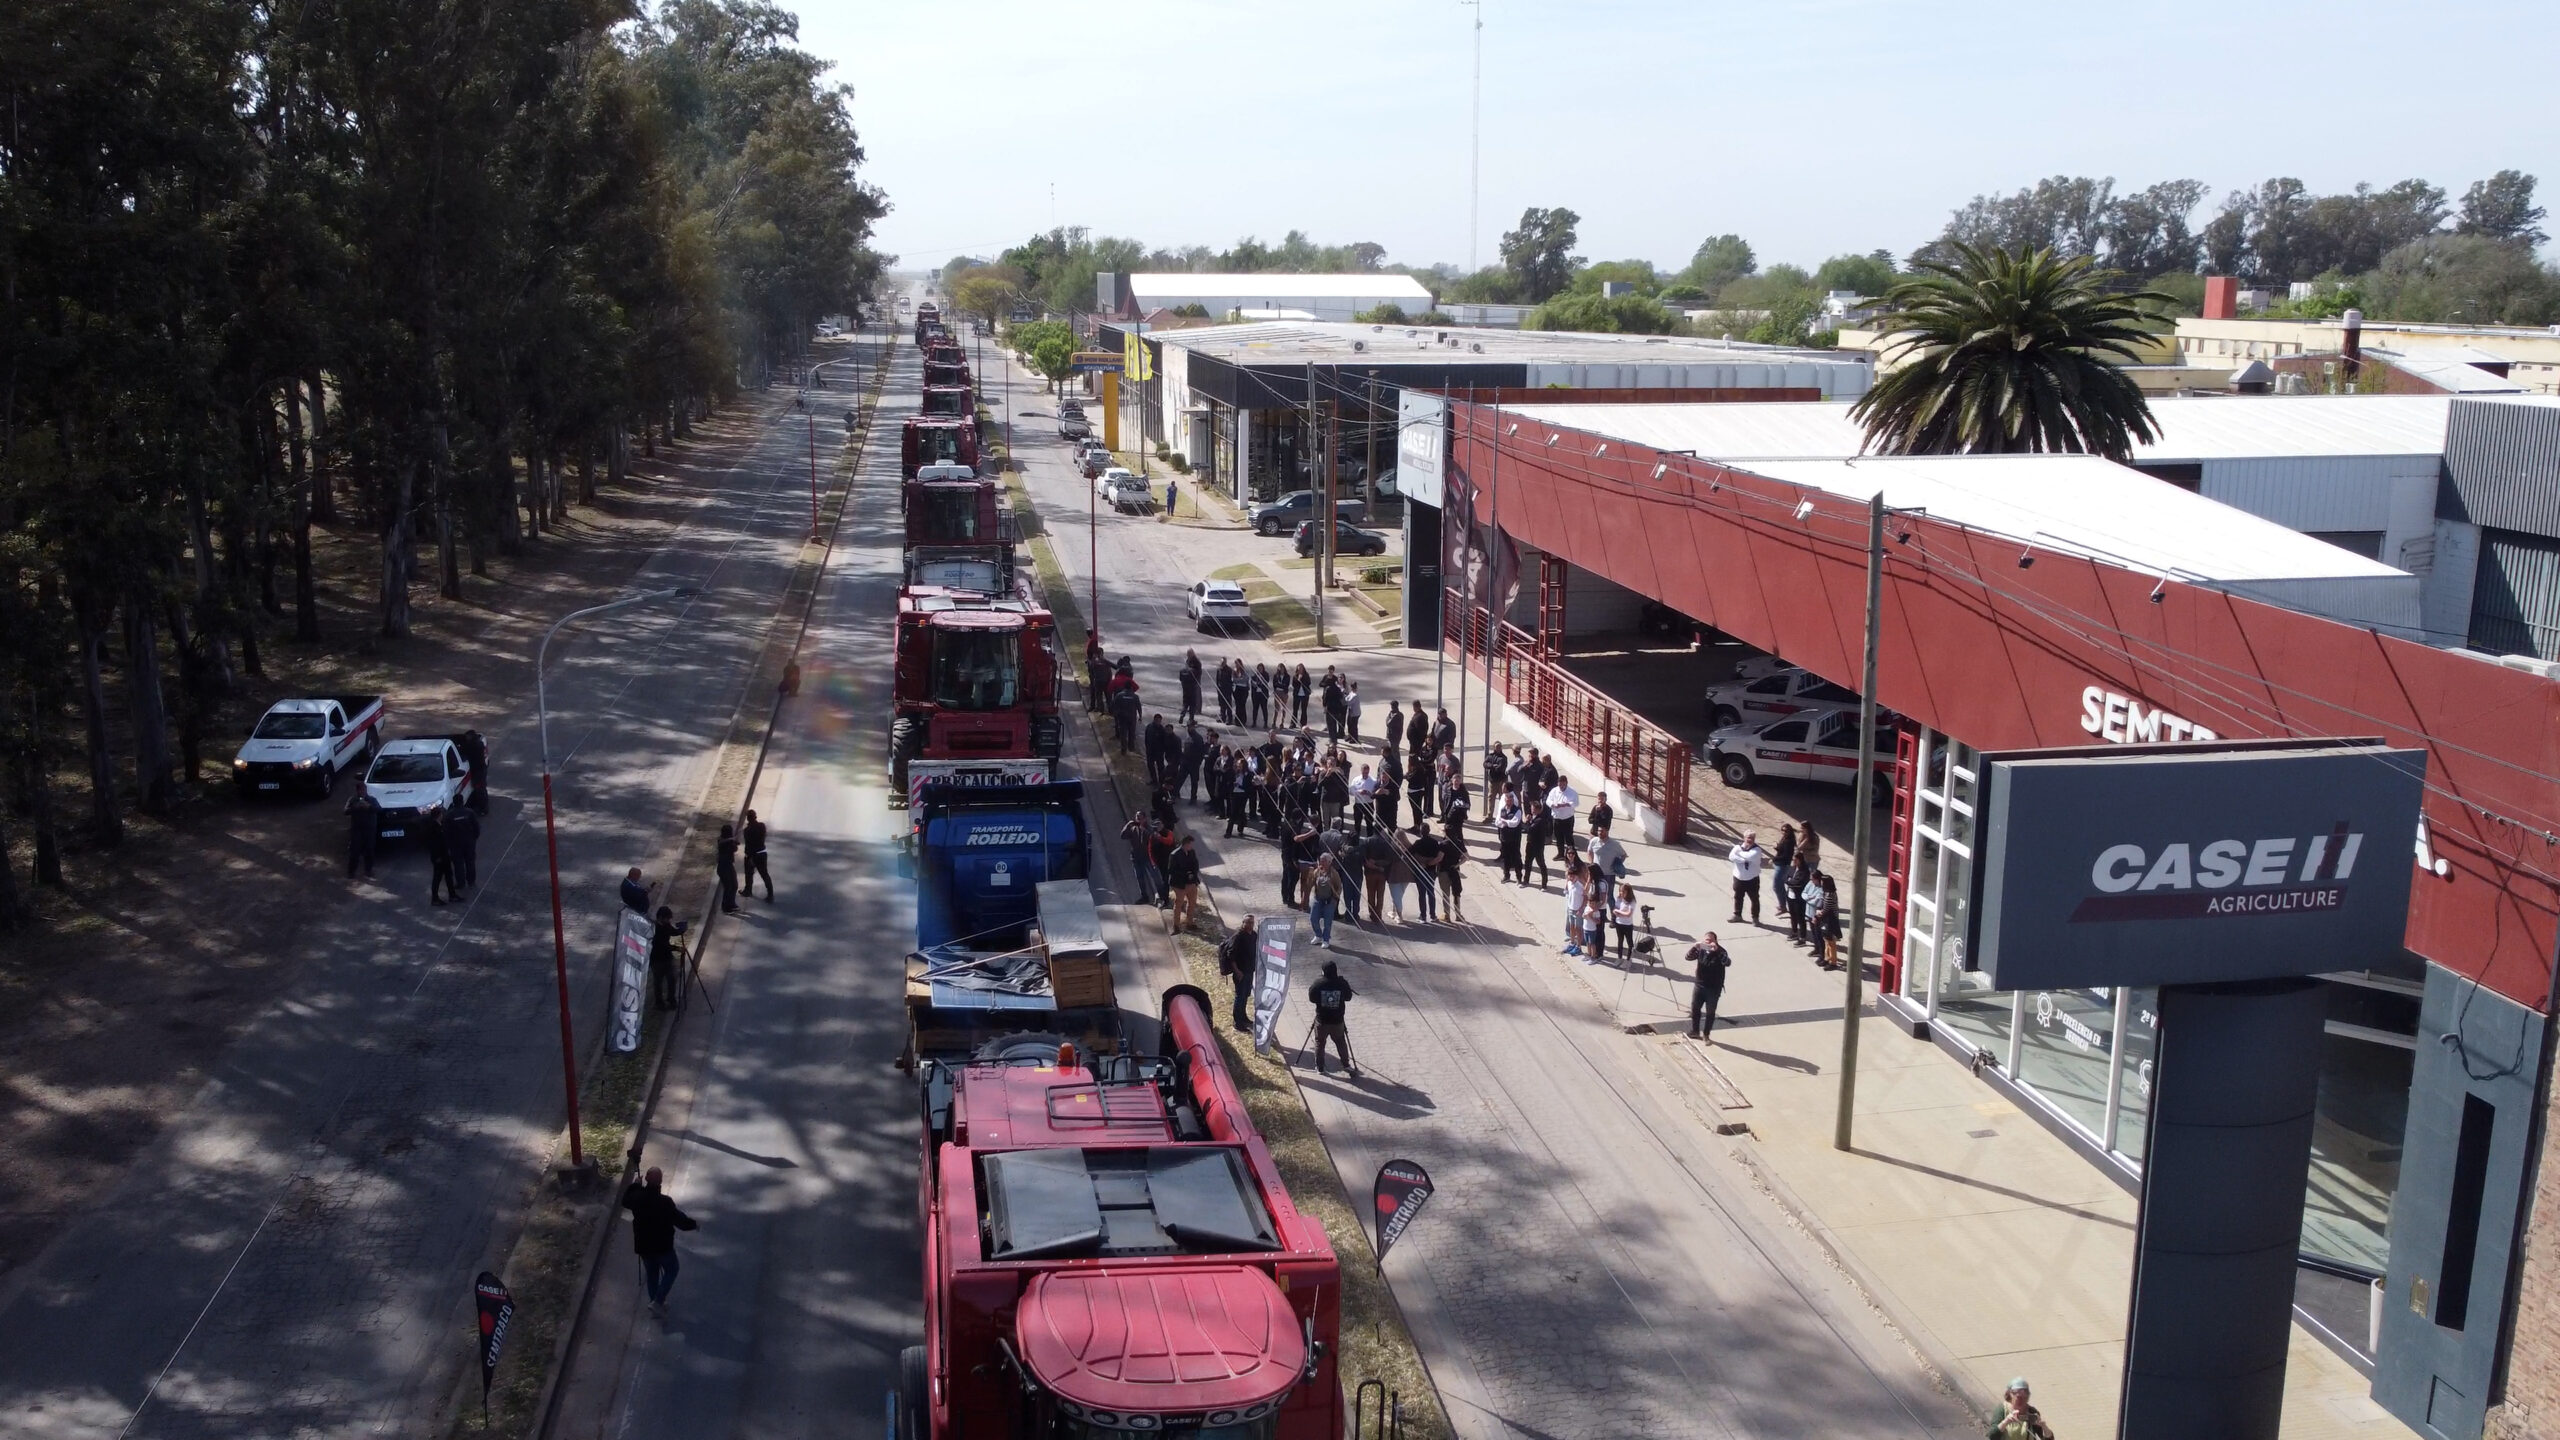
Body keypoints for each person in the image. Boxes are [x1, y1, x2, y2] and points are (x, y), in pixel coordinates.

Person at [621, 1166, 699, 1320]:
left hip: (644, 1246)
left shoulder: (638, 1197)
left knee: (652, 1275)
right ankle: (658, 1301)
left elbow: (625, 1201)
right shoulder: (665, 1202)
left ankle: (654, 1303)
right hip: (663, 1247)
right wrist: (693, 1225)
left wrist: (636, 1184)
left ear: (647, 1179)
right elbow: (680, 1220)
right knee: (672, 1270)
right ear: (661, 1182)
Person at [1308, 960, 1356, 1076]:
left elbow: (1312, 998)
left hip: (1322, 1020)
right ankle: (1346, 1065)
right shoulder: (1341, 983)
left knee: (1320, 1042)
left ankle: (1320, 1067)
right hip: (1338, 1021)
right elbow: (1348, 997)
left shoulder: (1318, 983)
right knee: (1340, 1042)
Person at [1686, 932, 1732, 1041]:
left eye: (1711, 940)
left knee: (1710, 1012)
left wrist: (1717, 951)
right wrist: (1694, 947)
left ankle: (1706, 1034)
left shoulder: (1721, 951)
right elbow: (1687, 957)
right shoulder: (1701, 950)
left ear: (1716, 941)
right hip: (1699, 985)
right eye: (1706, 940)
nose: (1709, 942)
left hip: (1713, 988)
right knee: (1695, 1008)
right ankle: (1695, 1031)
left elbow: (1727, 962)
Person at [1220, 916, 1260, 1031]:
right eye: (1248, 922)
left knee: (1246, 995)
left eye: (1252, 922)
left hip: (1249, 971)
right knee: (1240, 996)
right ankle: (1237, 1022)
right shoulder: (1238, 936)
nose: (1250, 924)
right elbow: (1230, 954)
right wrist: (1237, 971)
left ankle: (1243, 1016)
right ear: (1243, 923)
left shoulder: (1253, 935)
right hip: (1241, 972)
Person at [1987, 1379, 2056, 1440]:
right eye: (2018, 1397)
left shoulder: (2031, 1411)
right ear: (2010, 1395)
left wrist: (2044, 1426)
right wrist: (2006, 1422)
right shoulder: (2002, 1410)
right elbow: (1992, 1436)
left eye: (2025, 1397)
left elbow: (2049, 1438)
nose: (2022, 1401)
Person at [649, 906, 688, 1010]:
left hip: (667, 958)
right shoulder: (654, 929)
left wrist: (681, 930)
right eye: (667, 918)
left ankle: (671, 1000)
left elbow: (672, 932)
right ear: (661, 917)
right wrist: (677, 948)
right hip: (657, 960)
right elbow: (662, 946)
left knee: (672, 979)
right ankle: (659, 1003)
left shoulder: (666, 925)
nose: (669, 920)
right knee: (658, 982)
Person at [1728, 829, 1766, 924]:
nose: (1750, 840)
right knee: (1738, 897)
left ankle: (1755, 918)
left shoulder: (1757, 850)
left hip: (1752, 879)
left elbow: (1749, 857)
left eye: (1752, 838)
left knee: (1754, 899)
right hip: (1738, 878)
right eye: (1748, 837)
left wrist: (1739, 854)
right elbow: (1731, 857)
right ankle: (1737, 915)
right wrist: (1743, 860)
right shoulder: (1737, 846)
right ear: (1744, 838)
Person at [424, 803, 459, 904]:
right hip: (440, 857)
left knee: (448, 875)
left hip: (444, 856)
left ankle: (452, 894)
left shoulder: (438, 825)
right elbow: (434, 844)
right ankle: (435, 898)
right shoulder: (434, 828)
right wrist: (437, 857)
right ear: (439, 815)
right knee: (438, 877)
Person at [1166, 834, 1203, 931]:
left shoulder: (1192, 852)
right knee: (1179, 904)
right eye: (1190, 844)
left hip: (1191, 882)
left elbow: (1195, 864)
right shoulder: (1174, 855)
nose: (1191, 846)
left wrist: (1192, 874)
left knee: (1192, 902)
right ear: (1185, 844)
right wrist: (1186, 874)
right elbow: (1171, 870)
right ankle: (1176, 925)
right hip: (1180, 884)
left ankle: (1189, 923)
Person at [1122, 815, 1161, 906]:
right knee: (1140, 878)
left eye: (1140, 818)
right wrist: (1128, 825)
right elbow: (1123, 836)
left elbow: (1155, 840)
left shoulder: (1150, 829)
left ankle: (1162, 896)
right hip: (1136, 858)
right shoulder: (1133, 829)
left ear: (1145, 818)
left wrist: (1144, 830)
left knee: (1155, 877)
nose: (1138, 820)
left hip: (1148, 858)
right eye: (1137, 818)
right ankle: (1144, 897)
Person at [1307, 848, 1341, 948]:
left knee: (1327, 922)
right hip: (1318, 899)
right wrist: (1310, 875)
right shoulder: (1317, 871)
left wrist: (1335, 898)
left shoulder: (1334, 874)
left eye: (1324, 861)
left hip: (1329, 901)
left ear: (1329, 862)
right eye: (1320, 860)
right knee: (1313, 918)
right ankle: (1318, 935)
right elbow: (1310, 884)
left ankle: (1326, 939)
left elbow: (1339, 887)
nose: (1321, 862)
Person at [443, 804, 481, 892]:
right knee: (470, 862)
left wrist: (448, 844)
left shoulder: (449, 815)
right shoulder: (470, 812)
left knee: (458, 864)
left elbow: (446, 831)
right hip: (469, 843)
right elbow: (476, 827)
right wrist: (474, 838)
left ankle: (461, 883)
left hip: (456, 844)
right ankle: (471, 881)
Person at [345, 790, 381, 879]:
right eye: (360, 791)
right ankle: (351, 872)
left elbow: (379, 809)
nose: (362, 793)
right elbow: (345, 811)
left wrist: (368, 806)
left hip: (369, 829)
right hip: (357, 830)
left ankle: (368, 870)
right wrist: (355, 807)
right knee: (354, 851)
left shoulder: (372, 800)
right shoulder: (352, 800)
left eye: (363, 790)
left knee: (369, 850)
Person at [741, 808, 772, 901]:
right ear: (756, 817)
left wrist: (749, 856)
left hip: (752, 855)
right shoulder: (762, 826)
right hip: (762, 853)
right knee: (764, 874)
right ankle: (770, 894)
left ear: (747, 819)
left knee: (749, 874)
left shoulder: (747, 830)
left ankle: (748, 890)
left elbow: (749, 844)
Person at [1495, 789, 1524, 884]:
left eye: (1510, 800)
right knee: (1506, 858)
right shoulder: (1502, 810)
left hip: (1514, 839)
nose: (1509, 802)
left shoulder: (1517, 810)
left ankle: (1519, 877)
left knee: (1516, 858)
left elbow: (1515, 823)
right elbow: (1497, 822)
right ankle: (1506, 875)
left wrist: (1505, 822)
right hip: (1504, 838)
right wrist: (1505, 823)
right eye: (1507, 800)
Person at [1546, 779, 1579, 862]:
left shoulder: (1572, 792)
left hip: (1568, 818)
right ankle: (1560, 854)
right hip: (1557, 818)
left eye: (1563, 785)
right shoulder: (1554, 790)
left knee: (1569, 838)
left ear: (1566, 783)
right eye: (1560, 785)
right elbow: (1548, 801)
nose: (1561, 787)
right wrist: (1553, 804)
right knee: (1558, 837)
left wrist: (1567, 804)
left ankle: (1572, 856)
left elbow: (1576, 803)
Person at [1562, 863, 1589, 957]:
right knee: (1572, 927)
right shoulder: (1569, 883)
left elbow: (1586, 898)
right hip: (1571, 908)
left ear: (1577, 876)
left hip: (1578, 910)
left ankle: (1578, 946)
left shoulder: (1580, 886)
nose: (1571, 877)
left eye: (1573, 875)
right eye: (1569, 875)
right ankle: (1572, 943)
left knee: (1578, 928)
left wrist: (1581, 909)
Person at [459, 729, 490, 812]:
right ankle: (482, 805)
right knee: (481, 788)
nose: (466, 738)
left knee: (480, 789)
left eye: (467, 737)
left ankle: (483, 808)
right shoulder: (479, 743)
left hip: (477, 771)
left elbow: (465, 751)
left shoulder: (473, 746)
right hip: (481, 769)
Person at [715, 822, 740, 915]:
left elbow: (736, 847)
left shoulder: (728, 841)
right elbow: (729, 845)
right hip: (723, 868)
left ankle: (732, 904)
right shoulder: (722, 841)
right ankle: (725, 907)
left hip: (729, 865)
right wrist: (732, 840)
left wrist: (733, 841)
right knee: (728, 887)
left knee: (734, 885)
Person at [1439, 839, 1466, 922]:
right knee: (1456, 893)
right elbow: (1465, 857)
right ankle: (1458, 914)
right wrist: (1457, 865)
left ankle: (1447, 915)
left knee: (1446, 894)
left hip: (1444, 871)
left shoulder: (1443, 844)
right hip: (1455, 871)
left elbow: (1439, 858)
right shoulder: (1459, 843)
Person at [1612, 882, 1639, 962]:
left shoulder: (1632, 901)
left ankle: (1628, 959)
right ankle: (1619, 958)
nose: (1621, 893)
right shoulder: (1619, 899)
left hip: (1627, 925)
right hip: (1619, 923)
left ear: (1628, 892)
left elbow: (1628, 914)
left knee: (1629, 942)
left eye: (1623, 892)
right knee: (1620, 941)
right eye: (1620, 891)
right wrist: (1616, 911)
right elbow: (1615, 909)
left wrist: (1618, 912)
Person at [1179, 653, 1202, 724]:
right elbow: (1199, 674)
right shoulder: (1194, 669)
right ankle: (1191, 719)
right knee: (1192, 705)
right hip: (1193, 689)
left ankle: (1182, 715)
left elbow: (1180, 679)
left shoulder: (1182, 670)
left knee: (1185, 703)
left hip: (1185, 689)